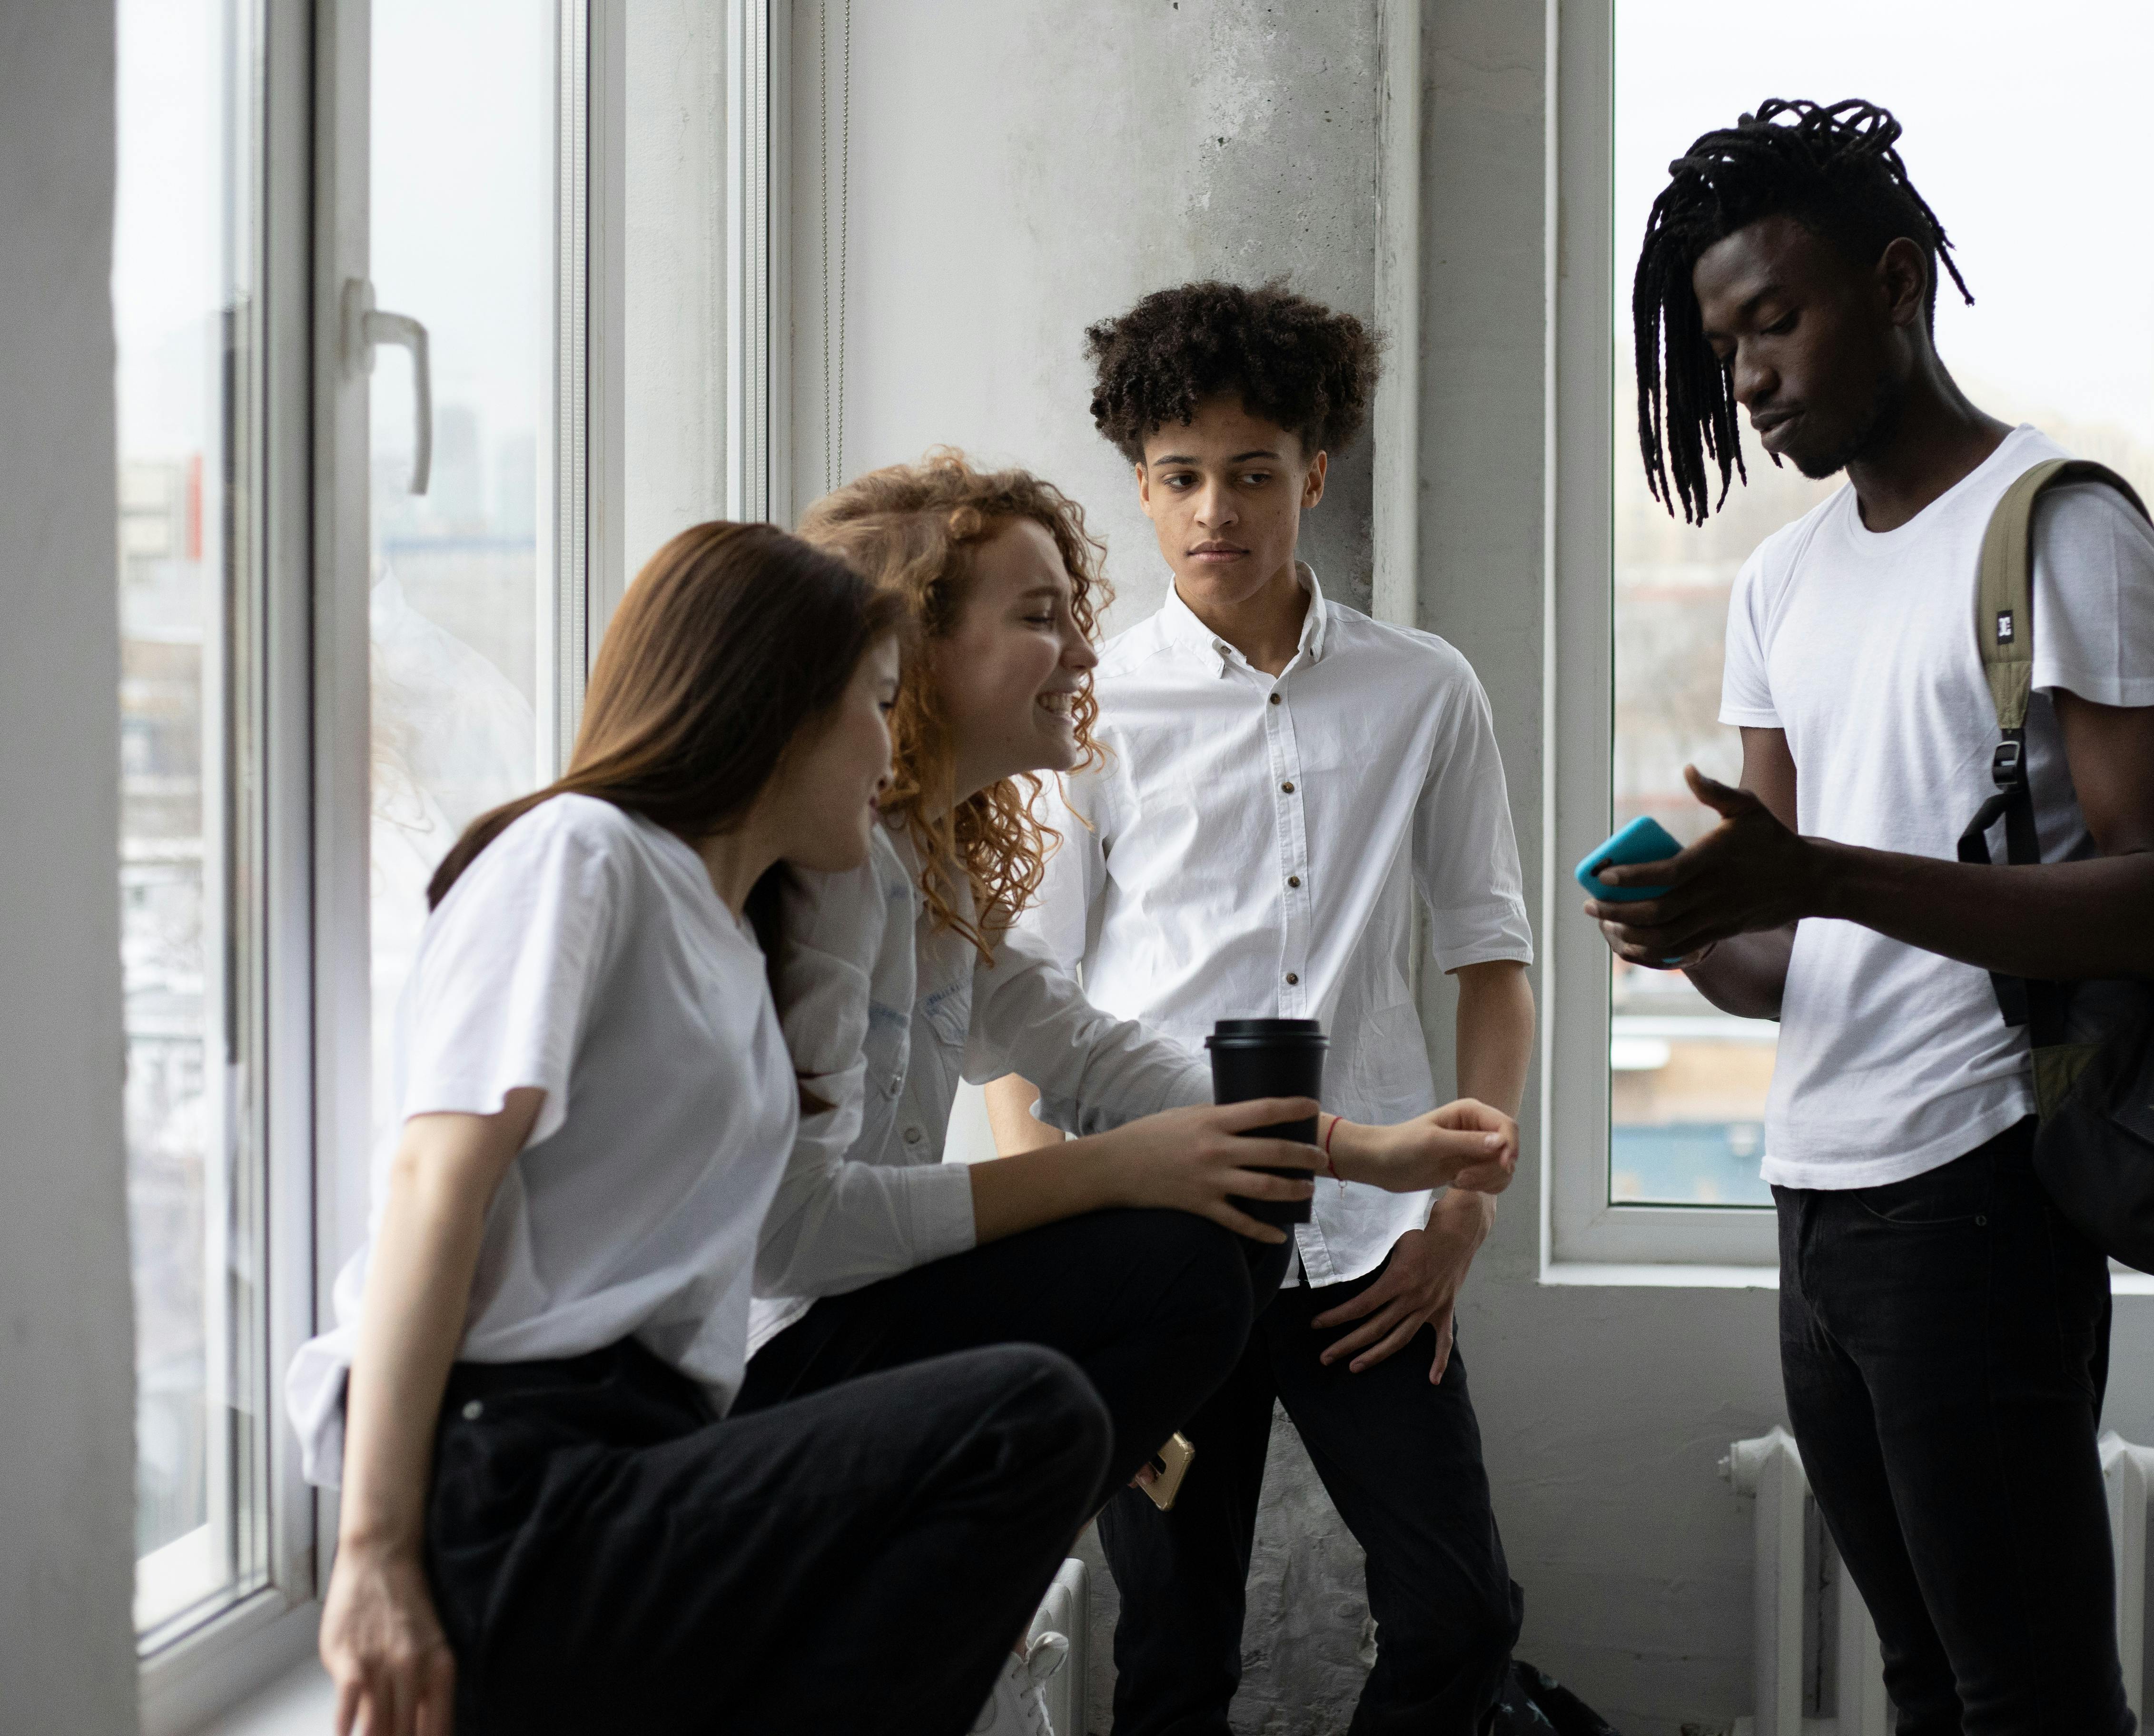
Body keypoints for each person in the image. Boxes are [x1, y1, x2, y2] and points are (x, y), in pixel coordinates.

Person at [1593, 101, 2154, 1735]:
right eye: (1717, 343)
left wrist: (1814, 876)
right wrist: (1691, 927)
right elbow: (1788, 956)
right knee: (1923, 1679)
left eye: (1773, 321)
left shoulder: (2058, 525)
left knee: (2028, 1689)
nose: (1744, 377)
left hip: (1978, 1197)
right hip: (1816, 1203)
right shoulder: (1781, 584)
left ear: (1896, 284)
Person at [287, 522, 1110, 1736]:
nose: (892, 745)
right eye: (876, 704)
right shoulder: (583, 853)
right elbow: (432, 1184)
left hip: (643, 1457)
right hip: (509, 1472)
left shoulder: (734, 942)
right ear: (776, 708)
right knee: (1029, 1420)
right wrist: (372, 1556)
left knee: (1043, 1413)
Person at [739, 454, 1522, 1727]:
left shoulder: (939, 870)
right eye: (1042, 619)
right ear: (917, 651)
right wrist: (1107, 1177)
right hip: (785, 1375)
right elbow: (794, 1231)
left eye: (1076, 615)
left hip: (883, 1325)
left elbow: (1093, 1050)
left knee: (1223, 1256)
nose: (1087, 656)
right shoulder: (841, 872)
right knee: (1183, 1265)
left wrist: (1363, 1152)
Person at [986, 281, 1535, 1736]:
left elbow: (1494, 955)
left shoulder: (1427, 692)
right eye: (1179, 477)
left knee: (1460, 1613)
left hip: (1373, 1250)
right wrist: (1055, 1235)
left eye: (1250, 472)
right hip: (1157, 1241)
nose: (1213, 510)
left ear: (1315, 471)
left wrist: (1461, 1220)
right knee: (1171, 1651)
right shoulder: (1082, 708)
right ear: (1142, 487)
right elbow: (1018, 1001)